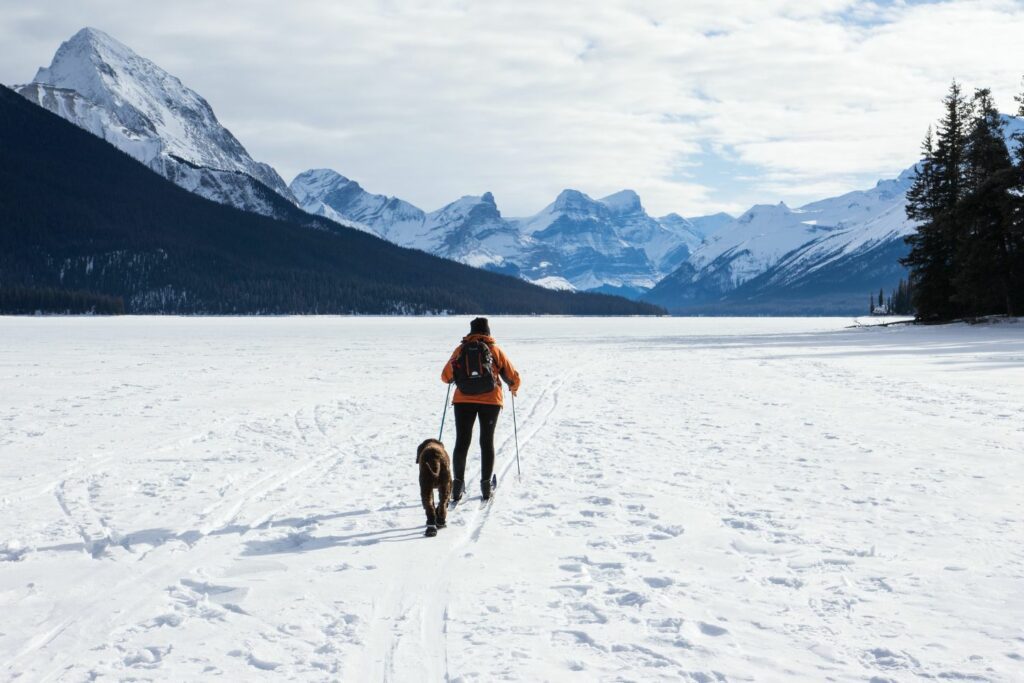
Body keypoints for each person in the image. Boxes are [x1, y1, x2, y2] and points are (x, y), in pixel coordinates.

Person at [441, 317, 521, 501]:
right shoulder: (494, 349)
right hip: (491, 401)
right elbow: (513, 376)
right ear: (488, 331)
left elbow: (445, 376)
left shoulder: (461, 349)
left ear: (471, 331)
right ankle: (486, 486)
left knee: (462, 441)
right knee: (486, 441)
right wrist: (513, 388)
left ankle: (457, 485)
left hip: (463, 401)